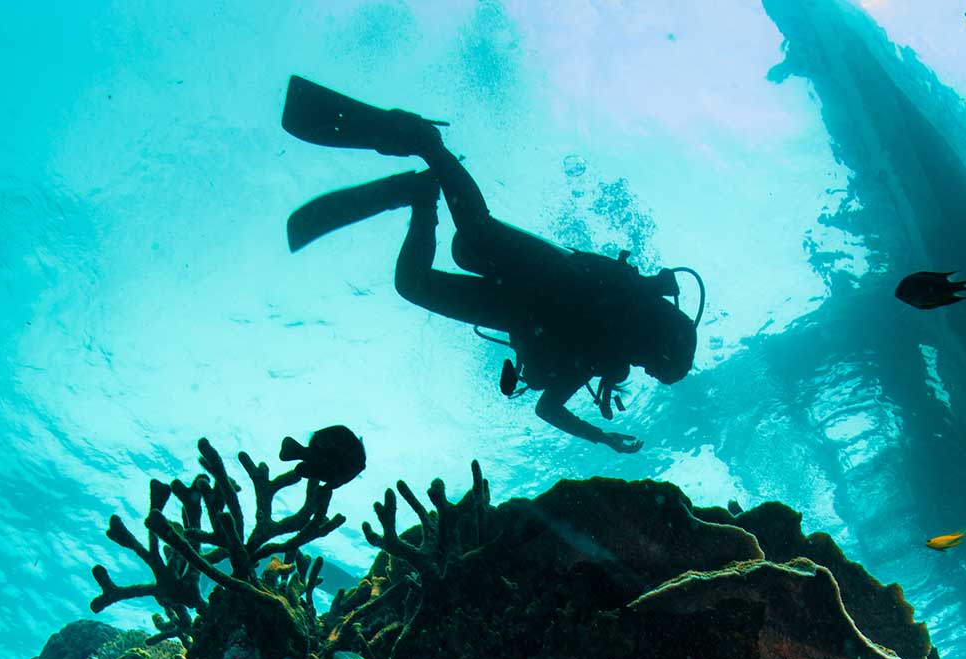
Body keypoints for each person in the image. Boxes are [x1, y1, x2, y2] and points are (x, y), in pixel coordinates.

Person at [282, 76, 703, 454]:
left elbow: (546, 408)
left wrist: (602, 437)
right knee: (475, 235)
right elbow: (621, 286)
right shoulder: (628, 309)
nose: (643, 368)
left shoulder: (602, 355)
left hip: (511, 310)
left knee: (412, 284)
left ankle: (419, 195)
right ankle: (427, 142)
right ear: (661, 344)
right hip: (552, 275)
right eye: (654, 365)